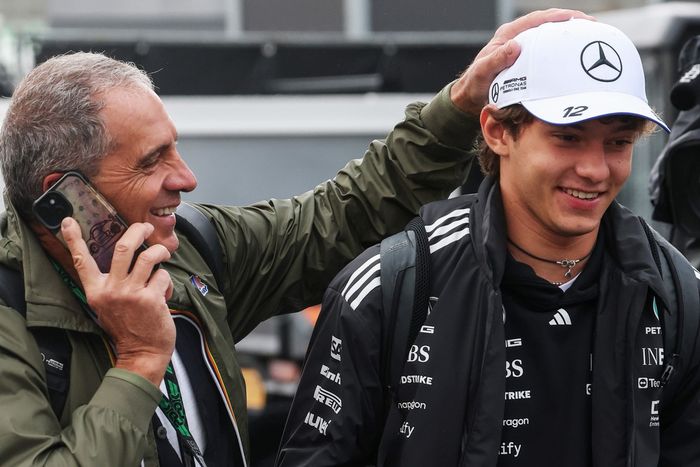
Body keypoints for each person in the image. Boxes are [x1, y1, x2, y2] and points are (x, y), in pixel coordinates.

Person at [0, 8, 590, 466]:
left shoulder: (192, 254)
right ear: (64, 196)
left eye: (175, 149)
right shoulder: (10, 315)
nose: (185, 178)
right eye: (152, 161)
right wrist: (138, 361)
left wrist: (459, 107)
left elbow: (341, 217)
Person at [276, 17, 700, 467]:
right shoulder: (392, 286)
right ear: (498, 132)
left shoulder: (678, 295)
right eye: (568, 138)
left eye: (618, 142)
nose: (595, 169)